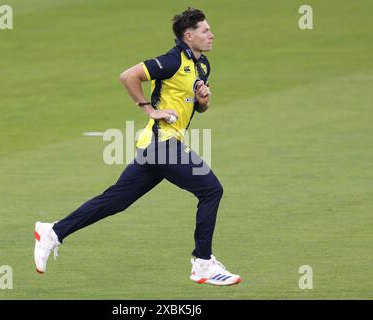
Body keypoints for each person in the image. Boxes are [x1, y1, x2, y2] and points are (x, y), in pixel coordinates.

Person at [34, 7, 242, 286]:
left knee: (116, 200)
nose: (211, 35)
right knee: (211, 189)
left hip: (158, 146)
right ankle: (203, 263)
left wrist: (203, 101)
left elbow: (195, 107)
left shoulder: (202, 65)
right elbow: (128, 76)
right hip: (161, 144)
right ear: (189, 36)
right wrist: (149, 109)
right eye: (205, 31)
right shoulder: (172, 60)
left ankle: (53, 231)